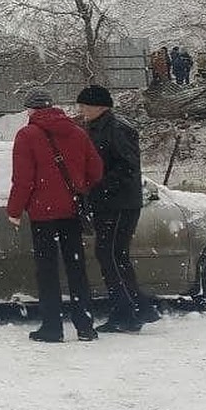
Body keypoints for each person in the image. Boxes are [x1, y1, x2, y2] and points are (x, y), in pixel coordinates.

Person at [7, 88, 103, 343]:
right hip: (71, 211)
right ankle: (85, 325)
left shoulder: (27, 135)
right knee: (76, 267)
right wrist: (80, 188)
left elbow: (23, 180)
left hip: (42, 214)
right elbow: (96, 169)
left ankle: (52, 327)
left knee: (47, 270)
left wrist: (14, 211)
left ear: (30, 110)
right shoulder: (76, 132)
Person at [76, 84, 158, 331]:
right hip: (108, 203)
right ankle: (132, 309)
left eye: (85, 106)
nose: (82, 110)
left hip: (120, 204)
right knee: (112, 256)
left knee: (111, 255)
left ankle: (132, 310)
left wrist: (100, 186)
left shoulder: (117, 129)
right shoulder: (94, 128)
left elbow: (127, 166)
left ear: (100, 107)